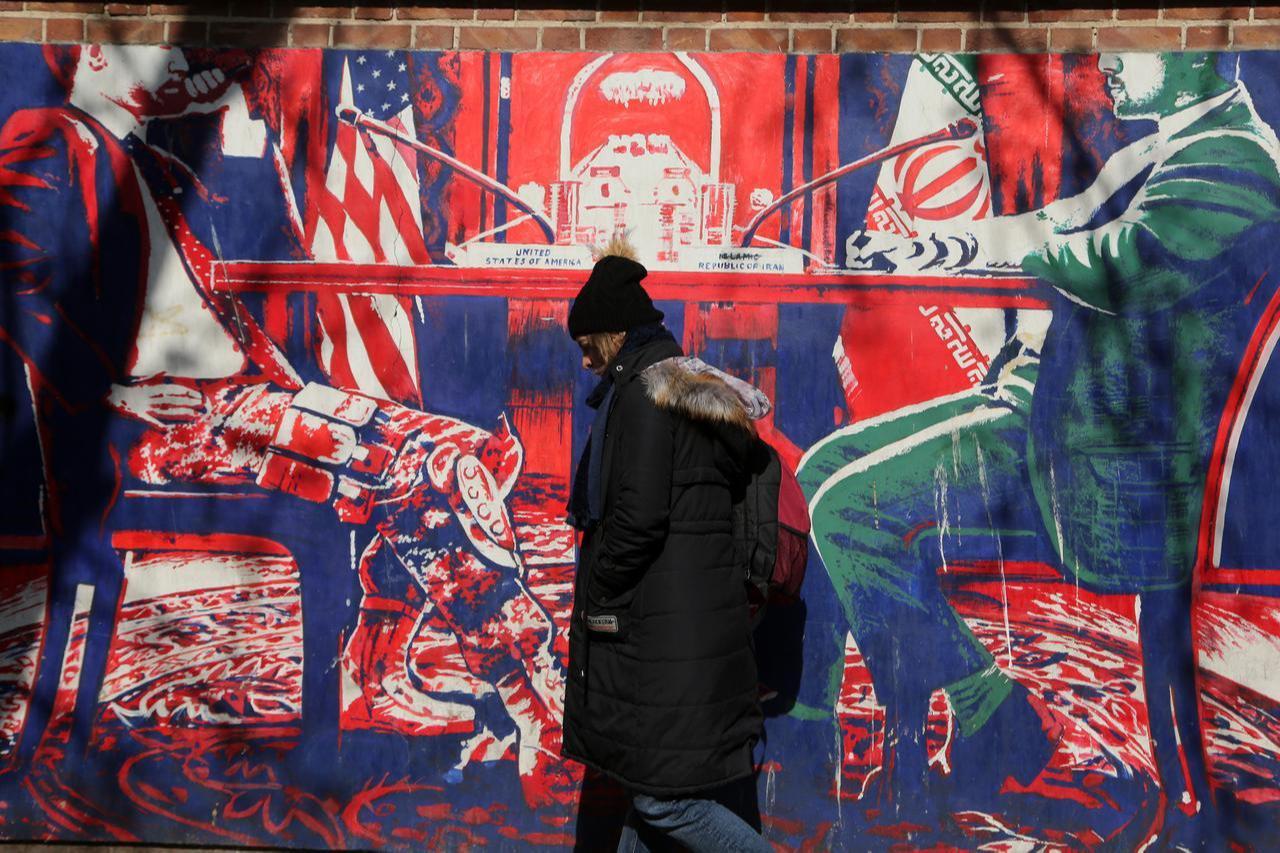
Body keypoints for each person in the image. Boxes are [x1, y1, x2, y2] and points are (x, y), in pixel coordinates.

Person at [0, 44, 569, 809]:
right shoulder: (49, 139)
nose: (172, 61)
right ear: (98, 55)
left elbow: (244, 247)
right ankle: (531, 701)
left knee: (463, 451)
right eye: (154, 51)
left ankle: (382, 665)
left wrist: (235, 114)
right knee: (426, 466)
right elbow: (17, 292)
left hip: (238, 404)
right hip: (160, 428)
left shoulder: (154, 163)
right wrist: (115, 392)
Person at [802, 50, 1280, 840]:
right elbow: (1064, 227)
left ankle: (990, 708)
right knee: (822, 468)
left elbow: (1119, 265)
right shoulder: (1173, 146)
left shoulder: (1235, 160)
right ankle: (836, 731)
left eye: (1133, 47)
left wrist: (1020, 252)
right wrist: (936, 249)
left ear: (1195, 52)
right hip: (1052, 410)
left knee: (847, 509)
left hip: (1099, 458)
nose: (1108, 61)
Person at [560, 241, 772, 852]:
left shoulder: (644, 398)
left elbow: (639, 519)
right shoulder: (690, 386)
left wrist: (598, 591)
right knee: (644, 780)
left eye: (587, 347)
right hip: (697, 627)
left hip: (663, 633)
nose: (585, 363)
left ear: (612, 336)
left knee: (662, 798)